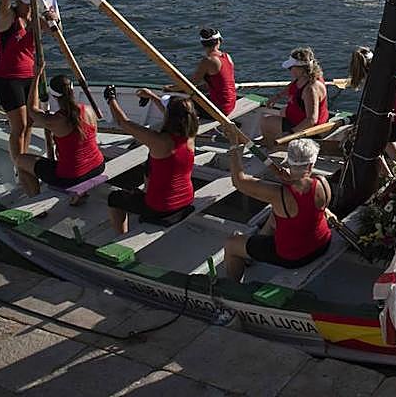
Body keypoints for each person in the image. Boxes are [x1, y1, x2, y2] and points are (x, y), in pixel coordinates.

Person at [222, 137, 332, 278]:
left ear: (289, 161)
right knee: (276, 214)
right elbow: (306, 192)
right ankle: (258, 243)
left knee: (231, 244)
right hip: (322, 244)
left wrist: (234, 150)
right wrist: (291, 179)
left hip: (293, 257)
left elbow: (239, 181)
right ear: (311, 165)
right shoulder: (323, 183)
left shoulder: (278, 194)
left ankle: (231, 288)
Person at [105, 86, 198, 233]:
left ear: (170, 117)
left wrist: (111, 99)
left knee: (114, 198)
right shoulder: (190, 135)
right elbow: (172, 114)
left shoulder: (160, 141)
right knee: (152, 163)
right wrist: (152, 97)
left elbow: (124, 123)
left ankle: (120, 235)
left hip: (161, 207)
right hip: (186, 199)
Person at [16, 75, 104, 201]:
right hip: (98, 166)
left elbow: (32, 110)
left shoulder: (56, 120)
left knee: (20, 160)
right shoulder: (89, 110)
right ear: (72, 91)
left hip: (73, 176)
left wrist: (36, 78)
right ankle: (79, 195)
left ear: (54, 96)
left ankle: (36, 202)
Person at [0, 0, 48, 162]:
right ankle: (19, 166)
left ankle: (23, 158)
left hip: (30, 78)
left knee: (30, 123)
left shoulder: (36, 20)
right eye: (26, 2)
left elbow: (56, 31)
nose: (28, 5)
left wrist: (53, 18)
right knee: (20, 126)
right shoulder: (9, 18)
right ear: (19, 1)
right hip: (8, 79)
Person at [347, 46, 396, 157]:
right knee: (386, 131)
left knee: (374, 136)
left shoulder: (374, 85)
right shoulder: (394, 69)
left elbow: (378, 114)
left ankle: (393, 167)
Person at [259, 48, 328, 146]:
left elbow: (312, 120)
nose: (290, 70)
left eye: (291, 68)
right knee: (282, 111)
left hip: (309, 130)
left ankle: (271, 146)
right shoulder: (303, 77)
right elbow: (292, 86)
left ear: (301, 69)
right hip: (297, 117)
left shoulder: (310, 89)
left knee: (266, 122)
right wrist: (277, 96)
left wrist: (291, 133)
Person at [190, 27, 237, 116]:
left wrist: (171, 88)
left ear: (203, 44)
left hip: (220, 109)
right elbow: (221, 82)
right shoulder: (227, 57)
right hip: (231, 104)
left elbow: (192, 83)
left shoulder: (208, 60)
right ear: (219, 41)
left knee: (181, 104)